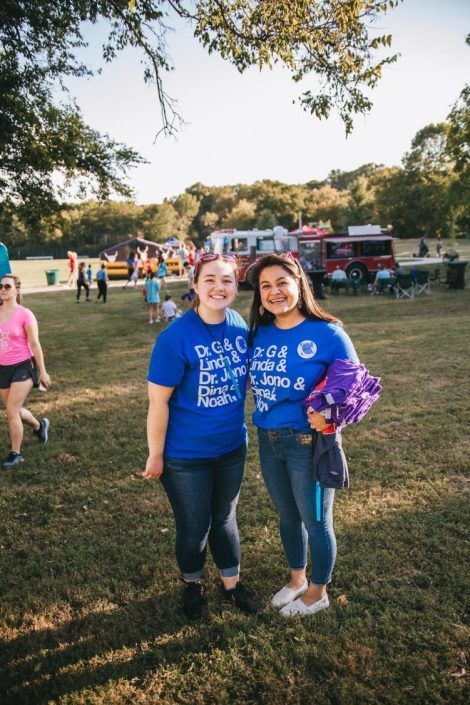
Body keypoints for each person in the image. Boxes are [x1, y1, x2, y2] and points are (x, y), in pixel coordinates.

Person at [143, 253, 259, 619]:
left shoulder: (240, 325)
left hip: (230, 448)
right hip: (185, 456)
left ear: (236, 287)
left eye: (226, 280)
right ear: (194, 285)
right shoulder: (174, 338)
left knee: (224, 518)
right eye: (209, 279)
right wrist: (155, 454)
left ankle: (231, 585)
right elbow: (158, 402)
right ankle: (192, 585)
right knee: (195, 527)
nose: (218, 287)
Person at [248, 253, 359, 618]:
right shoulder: (259, 333)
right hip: (268, 438)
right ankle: (296, 579)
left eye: (282, 282)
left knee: (316, 522)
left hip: (306, 445)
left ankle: (317, 592)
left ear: (299, 284)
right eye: (266, 285)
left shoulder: (328, 333)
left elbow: (356, 389)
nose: (274, 291)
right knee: (286, 516)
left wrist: (329, 417)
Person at [0, 274, 51, 468]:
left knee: (12, 411)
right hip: (2, 368)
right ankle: (39, 426)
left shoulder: (25, 314)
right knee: (15, 410)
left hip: (23, 366)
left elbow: (35, 344)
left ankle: (16, 454)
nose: (3, 289)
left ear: (17, 290)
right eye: (0, 286)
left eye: (7, 286)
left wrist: (43, 372)